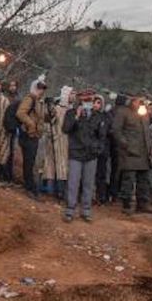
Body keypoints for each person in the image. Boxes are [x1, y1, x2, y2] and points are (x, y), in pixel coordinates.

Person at [62, 90, 108, 223]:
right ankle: (70, 209)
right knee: (73, 182)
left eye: (90, 99)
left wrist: (98, 149)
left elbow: (102, 135)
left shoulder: (98, 116)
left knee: (88, 183)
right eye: (85, 99)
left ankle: (86, 210)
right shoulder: (71, 113)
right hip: (76, 153)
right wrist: (76, 117)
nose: (87, 102)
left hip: (91, 154)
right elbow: (65, 129)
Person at [15, 77, 49, 199]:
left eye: (43, 89)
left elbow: (41, 117)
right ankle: (30, 188)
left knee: (31, 162)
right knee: (29, 163)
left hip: (34, 135)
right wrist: (31, 124)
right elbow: (20, 113)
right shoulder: (30, 99)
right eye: (39, 88)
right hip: (28, 135)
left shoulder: (40, 101)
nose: (42, 91)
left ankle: (31, 187)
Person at [40, 87, 72, 200]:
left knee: (63, 166)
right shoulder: (57, 109)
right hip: (55, 140)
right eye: (71, 94)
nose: (73, 96)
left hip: (66, 142)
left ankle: (60, 191)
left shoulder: (71, 110)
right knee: (51, 165)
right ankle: (51, 189)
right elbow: (48, 122)